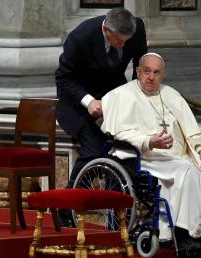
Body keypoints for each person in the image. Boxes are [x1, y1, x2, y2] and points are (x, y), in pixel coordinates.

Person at [101, 52, 201, 256]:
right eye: (146, 71)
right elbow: (121, 133)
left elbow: (191, 128)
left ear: (163, 74)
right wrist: (149, 141)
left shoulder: (171, 94)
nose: (151, 77)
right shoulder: (122, 95)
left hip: (180, 156)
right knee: (186, 171)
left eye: (156, 73)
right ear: (138, 72)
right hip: (147, 157)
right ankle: (183, 236)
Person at [55, 8, 147, 226]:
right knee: (95, 150)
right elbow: (63, 78)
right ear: (106, 30)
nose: (123, 46)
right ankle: (66, 209)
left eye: (127, 40)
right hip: (78, 101)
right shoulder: (80, 37)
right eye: (118, 41)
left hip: (113, 96)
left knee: (123, 150)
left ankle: (118, 216)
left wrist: (139, 96)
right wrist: (88, 101)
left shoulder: (137, 27)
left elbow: (139, 66)